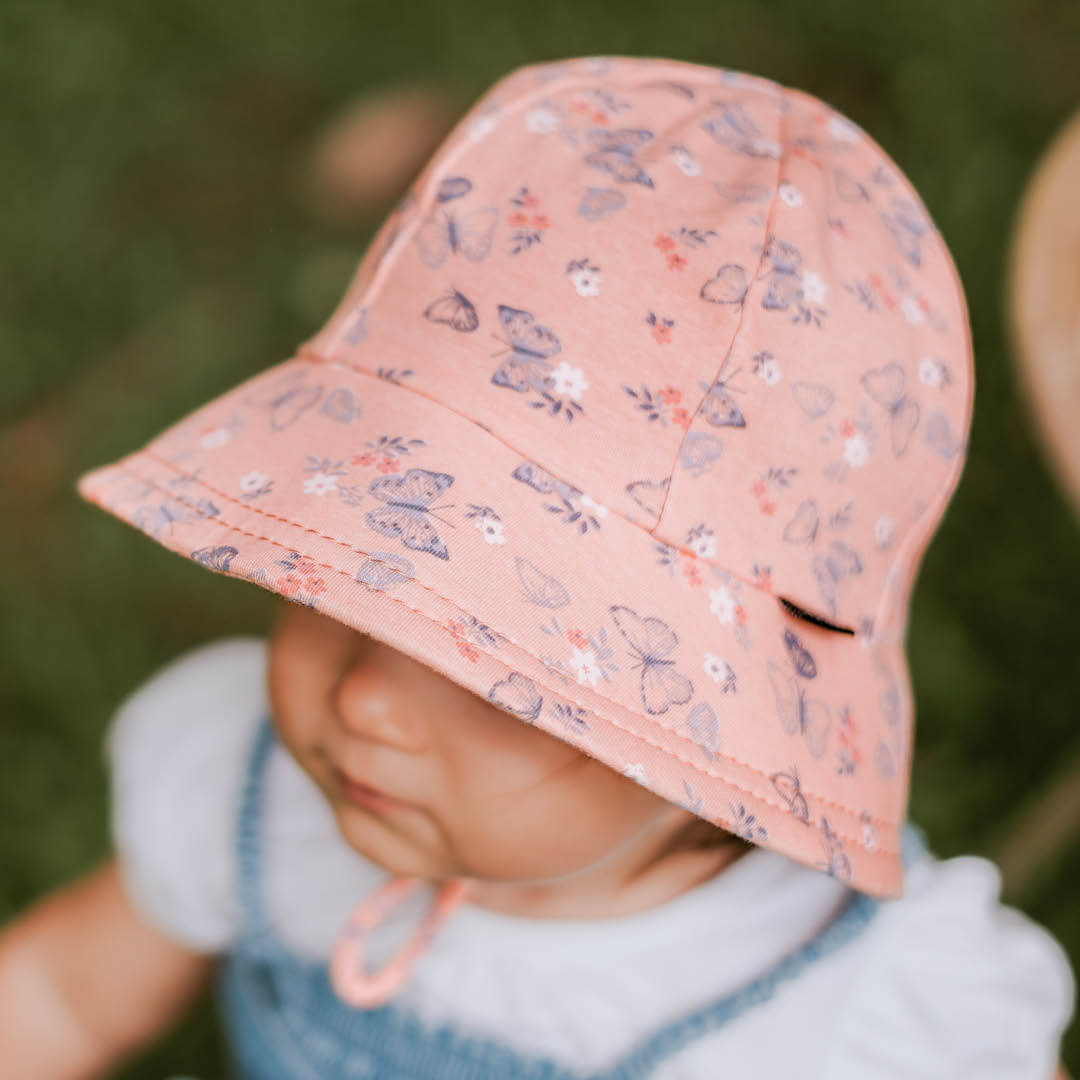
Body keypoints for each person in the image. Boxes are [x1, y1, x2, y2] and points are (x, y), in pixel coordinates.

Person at [0, 55, 1073, 1079]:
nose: (367, 699)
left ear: (721, 736)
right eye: (350, 581)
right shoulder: (251, 791)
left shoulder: (853, 1018)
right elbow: (63, 996)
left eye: (499, 676)